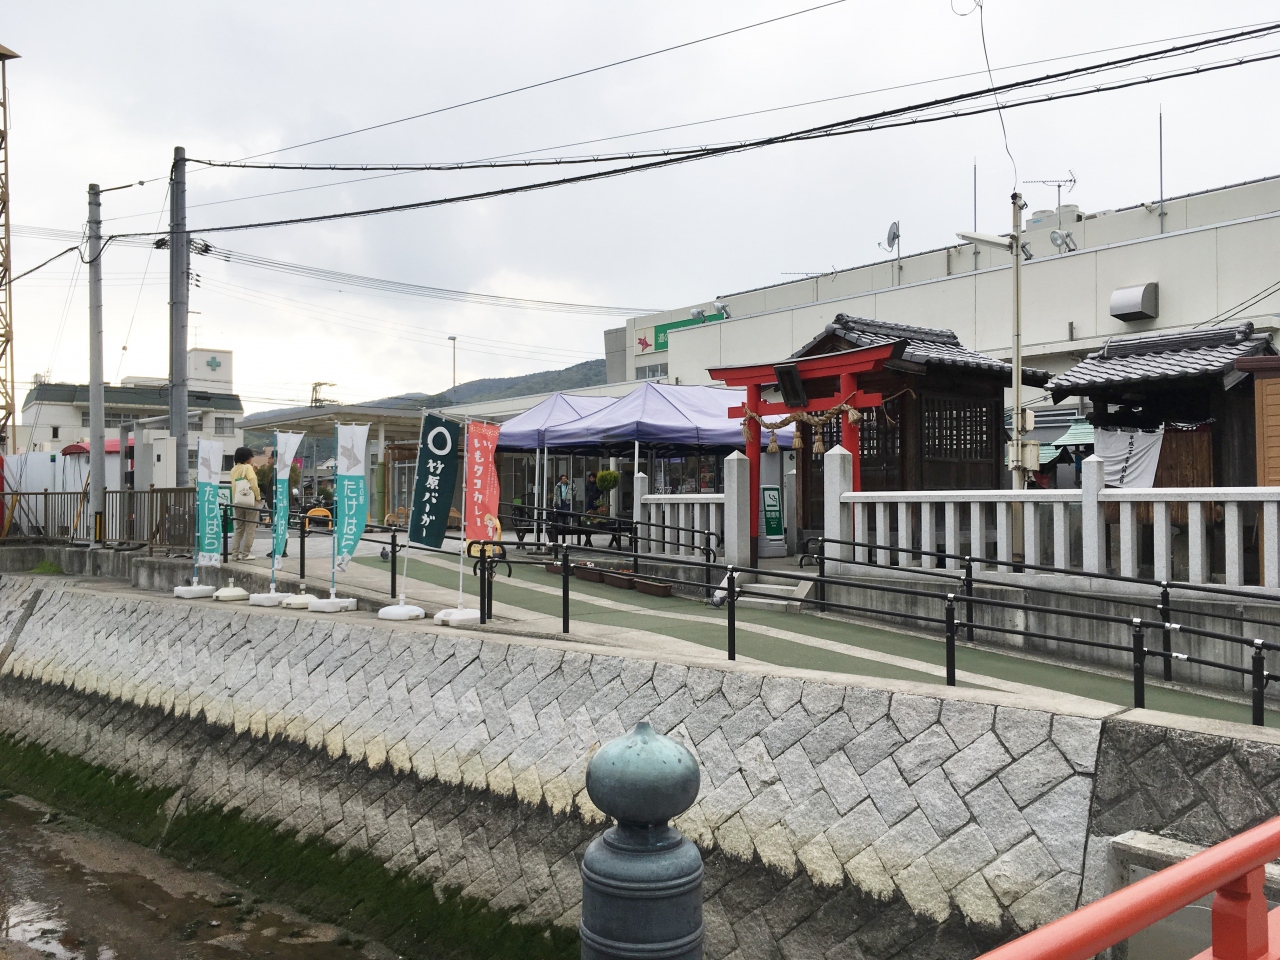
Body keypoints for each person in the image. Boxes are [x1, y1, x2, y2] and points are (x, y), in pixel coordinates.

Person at [229, 446, 261, 561]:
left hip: (237, 501)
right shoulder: (248, 467)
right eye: (250, 457)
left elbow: (241, 482)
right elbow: (253, 483)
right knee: (250, 528)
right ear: (247, 458)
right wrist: (258, 497)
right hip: (250, 501)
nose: (251, 459)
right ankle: (246, 554)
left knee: (239, 528)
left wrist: (253, 470)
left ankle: (234, 554)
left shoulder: (233, 469)